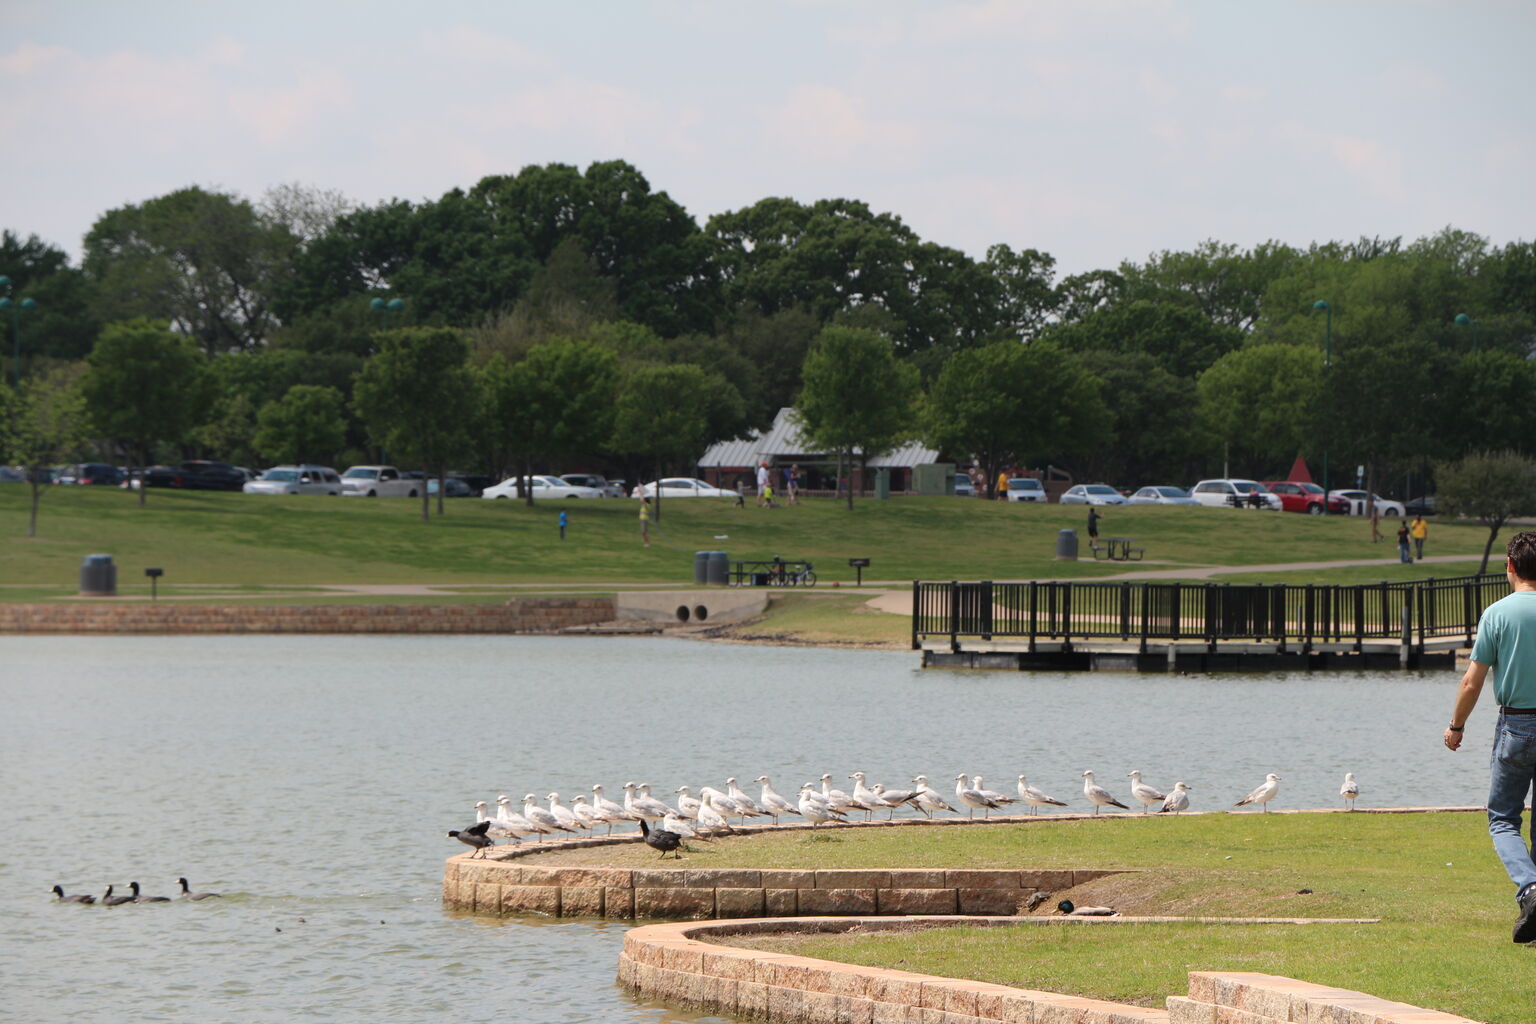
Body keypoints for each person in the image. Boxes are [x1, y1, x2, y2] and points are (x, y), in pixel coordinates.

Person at [1444, 531, 1536, 944]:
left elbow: (1471, 682)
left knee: (1502, 818)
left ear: (1511, 566)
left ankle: (1530, 889)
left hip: (1517, 725)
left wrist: (1457, 726)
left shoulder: (1497, 614)